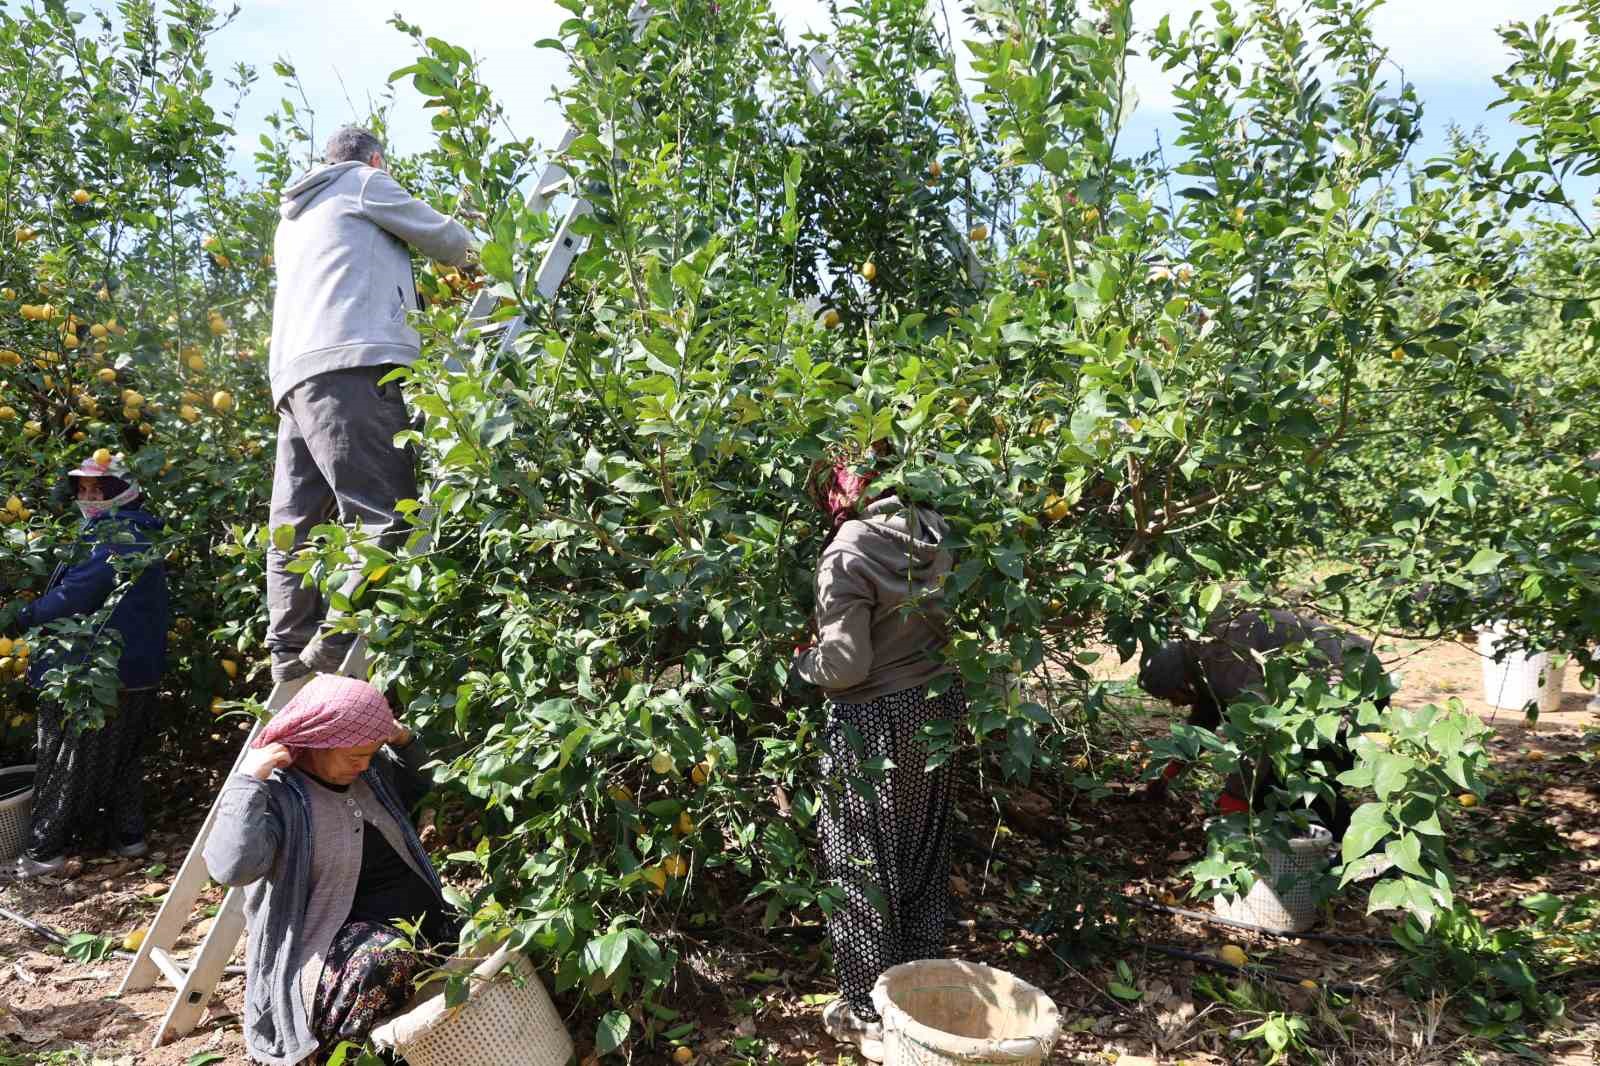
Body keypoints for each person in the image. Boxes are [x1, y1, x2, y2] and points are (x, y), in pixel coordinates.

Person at [266, 125, 472, 683]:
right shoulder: (363, 183)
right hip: (351, 364)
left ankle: (287, 650)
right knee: (385, 511)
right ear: (376, 160)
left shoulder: (293, 218)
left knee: (296, 525)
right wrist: (488, 264)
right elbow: (449, 242)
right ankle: (335, 643)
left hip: (293, 379)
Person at [794, 449, 962, 1063]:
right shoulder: (933, 527)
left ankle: (868, 1010)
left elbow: (845, 664)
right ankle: (916, 975)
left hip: (871, 715)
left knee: (859, 857)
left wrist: (802, 661)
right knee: (920, 839)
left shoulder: (848, 551)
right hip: (936, 705)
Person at [204, 675, 455, 1065]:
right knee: (385, 957)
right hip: (333, 958)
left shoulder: (371, 776)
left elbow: (429, 780)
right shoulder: (279, 797)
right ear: (319, 740)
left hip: (419, 930)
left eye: (371, 753)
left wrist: (403, 739)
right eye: (355, 756)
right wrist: (246, 781)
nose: (365, 764)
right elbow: (230, 867)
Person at [1, 453, 168, 877]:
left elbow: (75, 596)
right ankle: (129, 839)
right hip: (137, 670)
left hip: (92, 673)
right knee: (124, 759)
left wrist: (18, 617)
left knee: (65, 761)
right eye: (84, 491)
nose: (90, 499)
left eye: (99, 491)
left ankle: (43, 853)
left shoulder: (115, 536)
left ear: (123, 493)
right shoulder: (137, 532)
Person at [1137, 608, 1388, 839]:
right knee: (1276, 787)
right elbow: (1205, 717)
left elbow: (1260, 730)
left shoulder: (1223, 661)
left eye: (1171, 696)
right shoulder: (1200, 657)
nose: (1175, 705)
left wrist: (1235, 797)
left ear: (1183, 681)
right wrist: (1167, 772)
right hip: (1330, 685)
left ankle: (1365, 849)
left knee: (1298, 783)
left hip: (1354, 679)